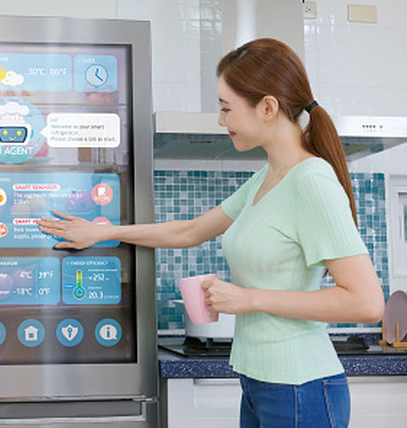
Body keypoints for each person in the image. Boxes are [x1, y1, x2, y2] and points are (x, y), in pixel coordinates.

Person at [38, 38, 385, 427]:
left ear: (267, 107)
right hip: (259, 383)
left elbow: (367, 303)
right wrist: (102, 232)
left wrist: (248, 298)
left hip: (301, 387)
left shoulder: (312, 182)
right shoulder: (266, 180)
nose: (221, 121)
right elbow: (190, 230)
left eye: (226, 108)